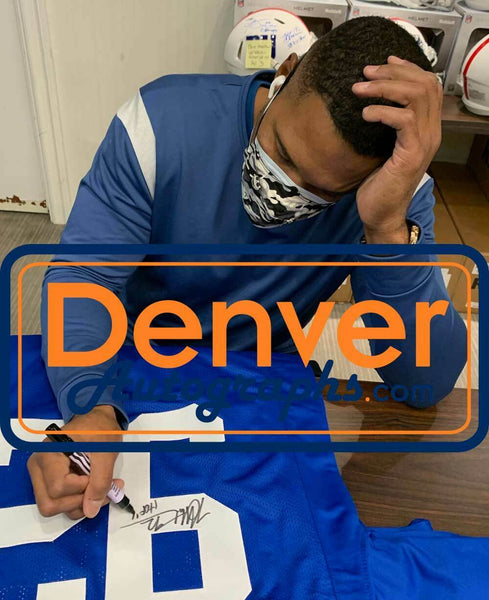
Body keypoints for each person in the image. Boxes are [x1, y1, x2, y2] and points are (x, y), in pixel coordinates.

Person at [27, 17, 466, 520]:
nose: (283, 190)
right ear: (286, 72)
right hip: (128, 358)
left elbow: (426, 379)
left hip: (260, 378)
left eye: (320, 192)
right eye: (282, 151)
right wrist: (91, 406)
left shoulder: (396, 190)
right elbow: (83, 277)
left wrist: (385, 228)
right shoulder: (160, 125)